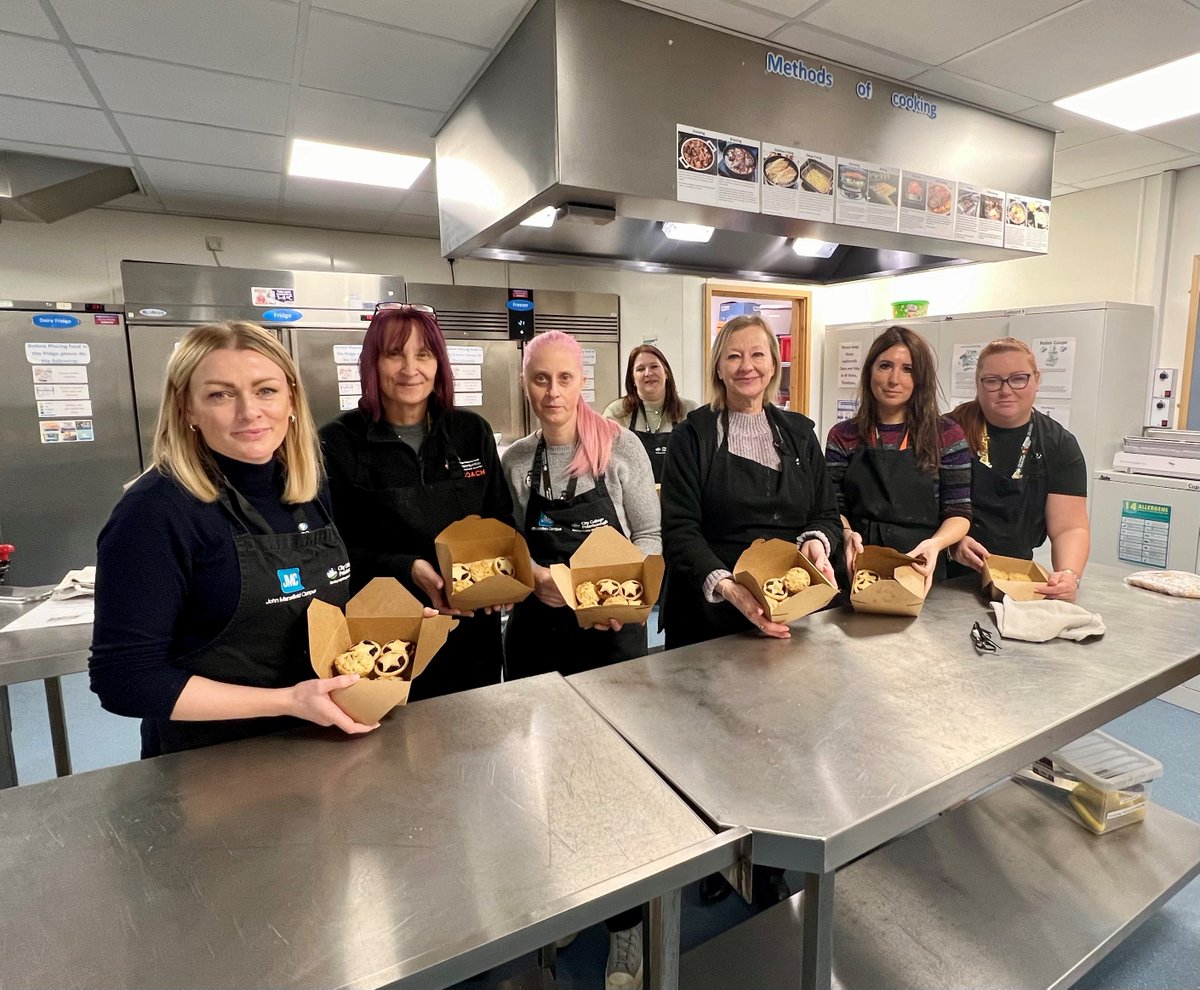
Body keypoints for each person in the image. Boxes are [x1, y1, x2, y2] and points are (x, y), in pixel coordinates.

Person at [89, 322, 376, 757]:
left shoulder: (307, 488)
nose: (249, 412)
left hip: (319, 744)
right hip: (209, 763)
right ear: (187, 409)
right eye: (220, 394)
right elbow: (125, 679)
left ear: (292, 399)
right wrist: (286, 702)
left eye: (266, 390)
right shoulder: (156, 510)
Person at [501, 329, 660, 990]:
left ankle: (626, 931)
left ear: (582, 381)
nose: (553, 392)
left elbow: (649, 536)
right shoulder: (516, 461)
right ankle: (570, 898)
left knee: (614, 784)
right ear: (527, 383)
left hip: (610, 632)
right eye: (541, 379)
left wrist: (639, 601)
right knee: (548, 781)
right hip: (539, 635)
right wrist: (534, 572)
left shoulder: (622, 450)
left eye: (565, 379)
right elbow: (511, 546)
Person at [320, 303, 515, 700]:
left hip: (469, 625)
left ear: (438, 364)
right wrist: (409, 568)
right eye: (395, 354)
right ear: (372, 365)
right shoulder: (338, 442)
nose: (411, 368)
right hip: (386, 636)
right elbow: (330, 553)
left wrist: (498, 581)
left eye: (423, 354)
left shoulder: (470, 431)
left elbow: (500, 519)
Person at [660, 314, 840, 649]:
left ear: (773, 364)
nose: (747, 366)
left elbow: (826, 514)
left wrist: (816, 542)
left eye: (757, 354)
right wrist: (727, 587)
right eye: (733, 356)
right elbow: (679, 531)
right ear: (718, 368)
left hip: (793, 610)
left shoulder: (800, 434)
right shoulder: (692, 437)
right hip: (709, 615)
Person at [824, 326, 971, 587]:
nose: (894, 379)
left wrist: (936, 544)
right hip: (858, 564)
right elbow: (834, 507)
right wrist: (846, 534)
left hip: (919, 564)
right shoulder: (843, 435)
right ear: (870, 371)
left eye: (907, 369)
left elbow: (959, 511)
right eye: (885, 366)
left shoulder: (946, 434)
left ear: (920, 378)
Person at [949, 337, 1089, 601]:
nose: (1005, 390)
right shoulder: (947, 432)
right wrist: (951, 542)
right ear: (978, 384)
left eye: (1018, 378)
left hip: (1018, 582)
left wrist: (1068, 575)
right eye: (992, 381)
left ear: (1036, 379)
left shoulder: (1059, 445)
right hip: (947, 577)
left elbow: (1070, 527)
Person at [602, 344, 698, 482]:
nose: (648, 373)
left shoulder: (690, 411)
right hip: (631, 497)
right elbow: (604, 462)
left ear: (666, 372)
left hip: (679, 497)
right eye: (640, 369)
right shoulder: (616, 412)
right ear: (633, 378)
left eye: (654, 366)